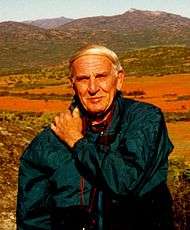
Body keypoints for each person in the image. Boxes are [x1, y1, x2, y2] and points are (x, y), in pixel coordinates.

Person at [16, 44, 174, 230]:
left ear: (119, 79)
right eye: (83, 79)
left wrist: (76, 141)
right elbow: (32, 220)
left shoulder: (144, 119)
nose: (93, 88)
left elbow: (124, 181)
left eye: (101, 76)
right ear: (72, 85)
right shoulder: (47, 144)